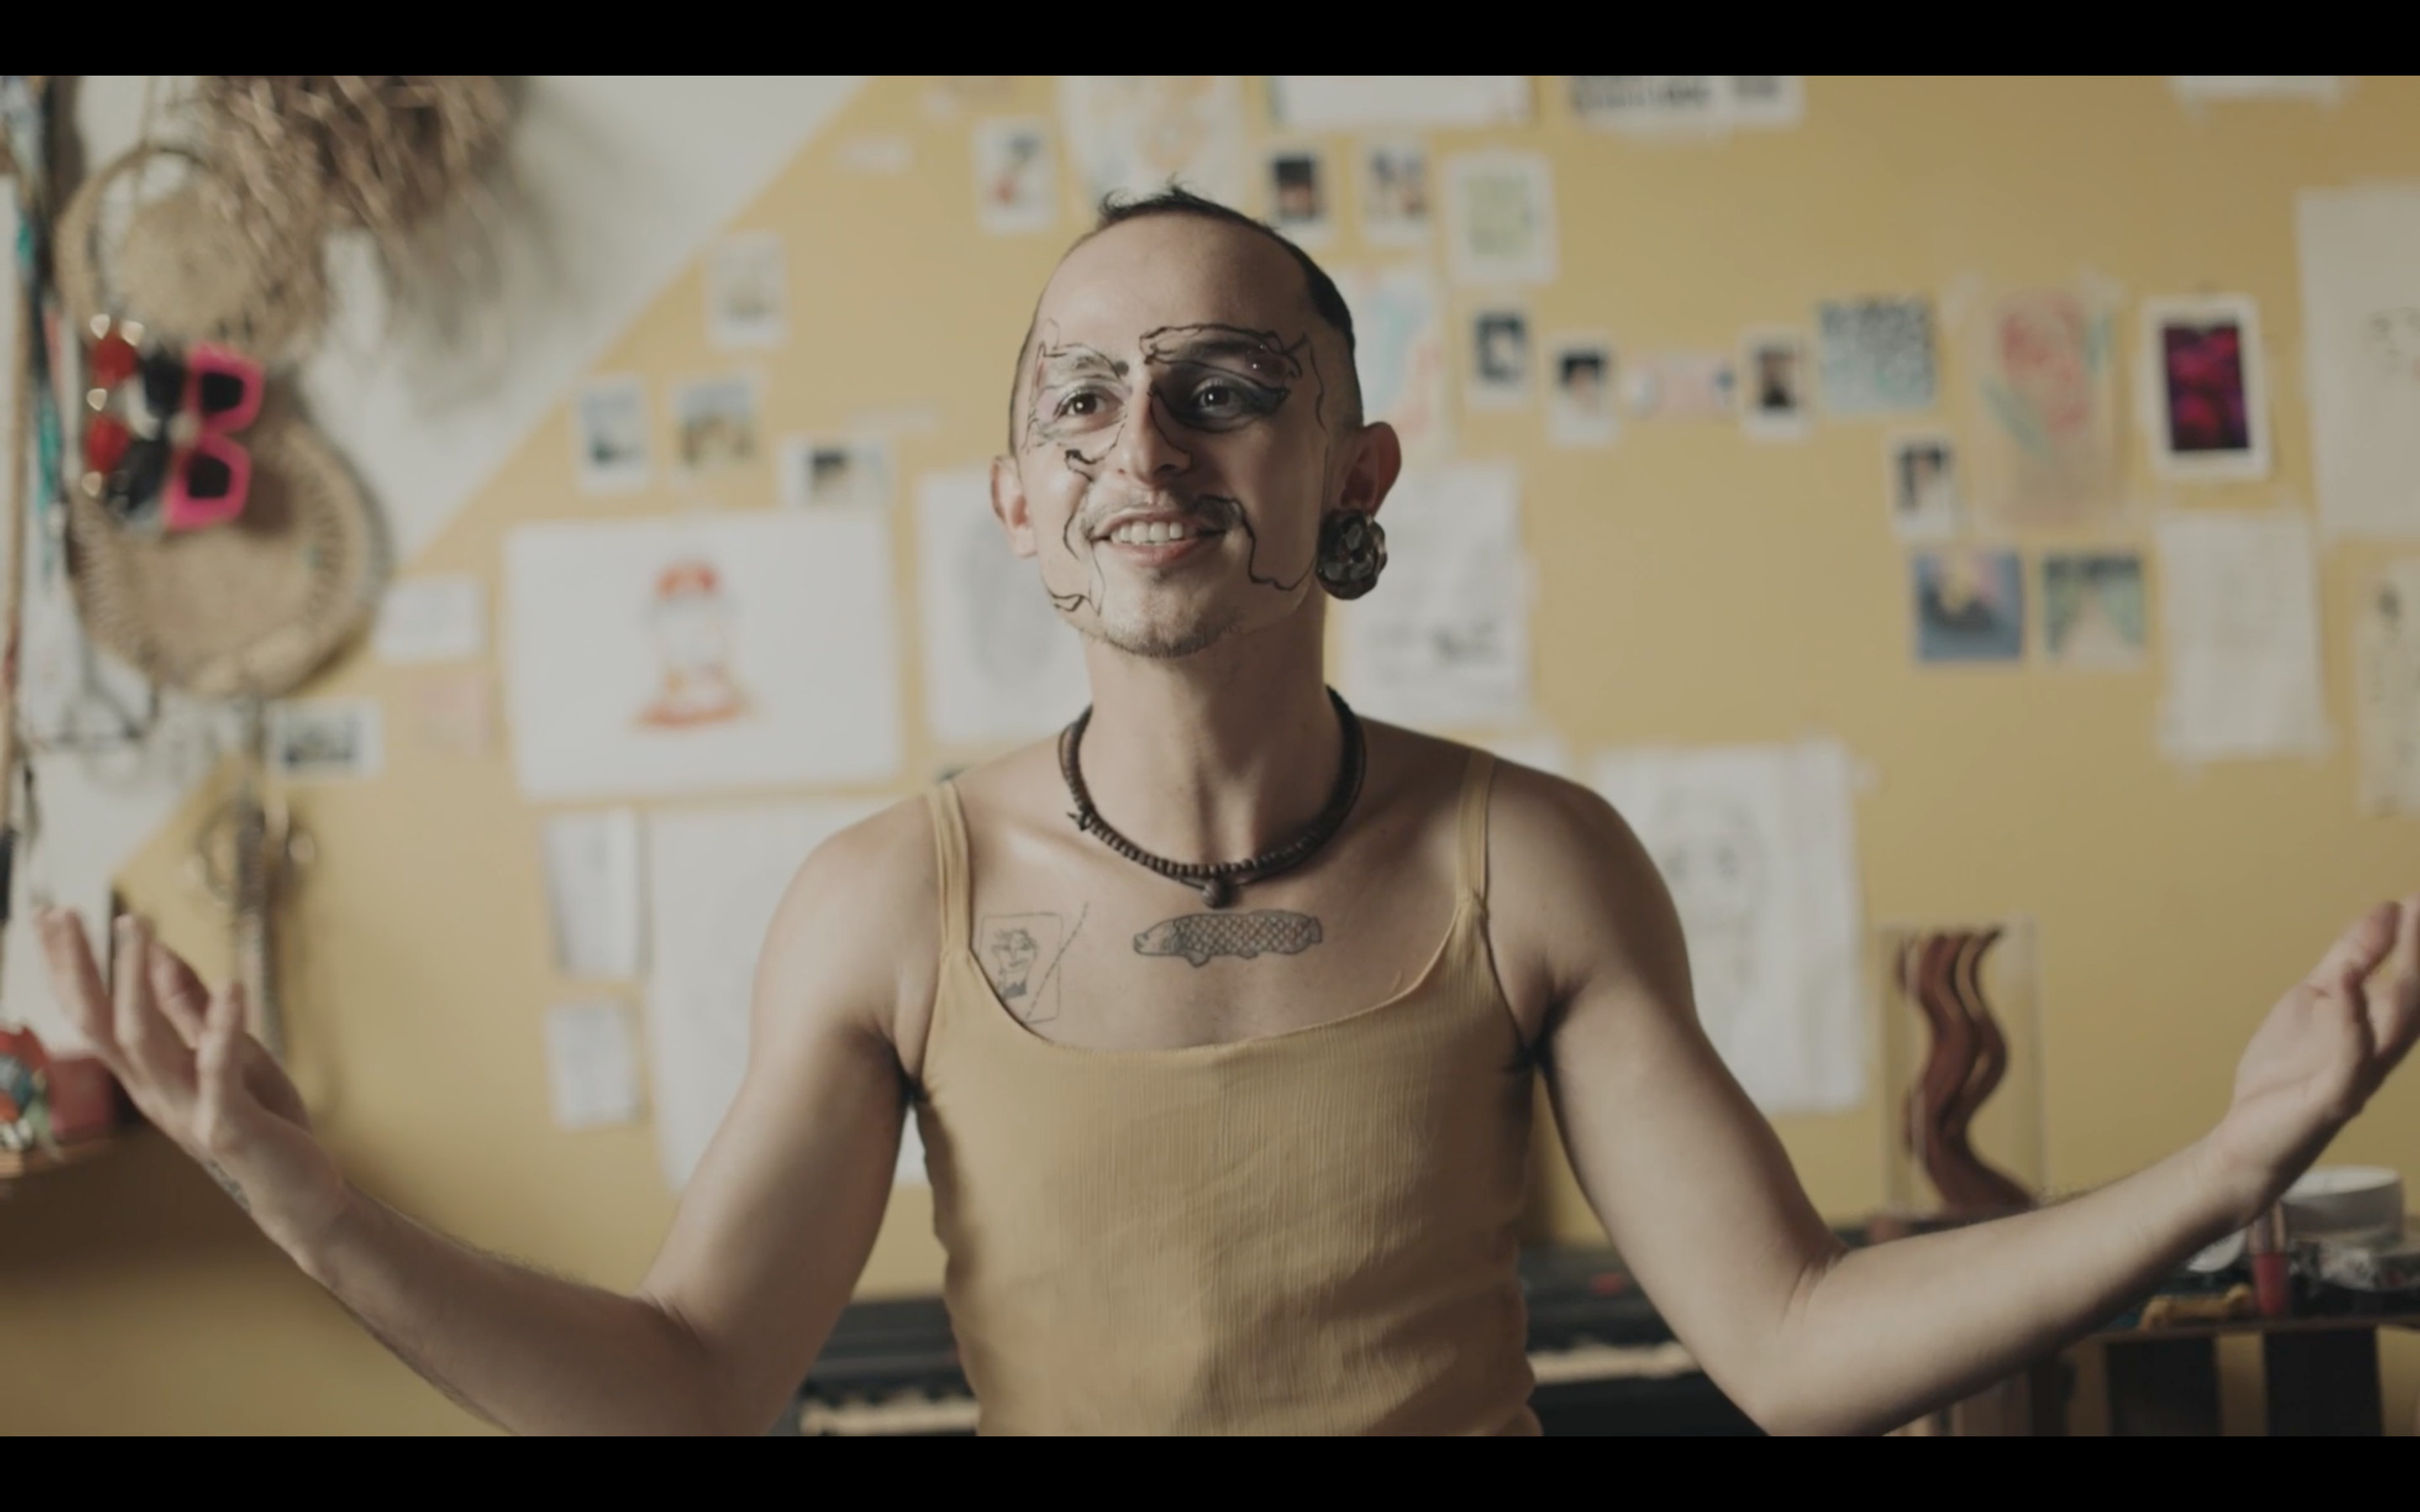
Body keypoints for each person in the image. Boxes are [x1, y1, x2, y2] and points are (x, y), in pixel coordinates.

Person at [39, 190, 2417, 1437]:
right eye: (1079, 403)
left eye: (1220, 386)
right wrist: (305, 1204)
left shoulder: (1535, 863)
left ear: (1349, 471)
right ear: (1018, 504)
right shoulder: (882, 909)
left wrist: (2231, 1164)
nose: (1142, 448)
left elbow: (1791, 1345)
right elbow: (690, 1388)